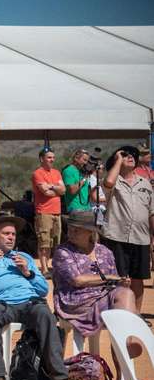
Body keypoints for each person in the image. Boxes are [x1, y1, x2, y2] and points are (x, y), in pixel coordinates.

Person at [0, 215, 72, 380]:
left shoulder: (23, 257)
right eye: (6, 233)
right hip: (0, 304)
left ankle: (59, 378)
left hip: (29, 302)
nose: (11, 237)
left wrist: (28, 272)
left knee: (45, 314)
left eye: (13, 234)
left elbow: (43, 289)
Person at [52, 211, 138, 342]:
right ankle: (125, 344)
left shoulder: (104, 251)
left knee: (126, 293)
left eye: (77, 230)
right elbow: (77, 280)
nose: (71, 233)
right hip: (76, 302)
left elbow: (114, 282)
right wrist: (109, 278)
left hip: (103, 297)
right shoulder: (62, 252)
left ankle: (125, 345)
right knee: (123, 305)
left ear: (89, 232)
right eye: (70, 229)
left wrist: (121, 283)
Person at [100, 146, 154, 314]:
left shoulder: (145, 183)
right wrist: (117, 159)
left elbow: (151, 212)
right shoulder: (113, 180)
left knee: (138, 279)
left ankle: (136, 315)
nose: (130, 157)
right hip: (116, 237)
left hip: (141, 237)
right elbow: (108, 183)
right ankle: (118, 312)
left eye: (133, 155)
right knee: (119, 278)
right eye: (125, 155)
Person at [32, 148, 66, 276]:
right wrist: (56, 189)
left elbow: (63, 191)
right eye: (49, 157)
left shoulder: (56, 172)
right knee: (44, 241)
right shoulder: (38, 173)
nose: (52, 160)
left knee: (56, 241)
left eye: (53, 157)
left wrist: (51, 186)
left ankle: (54, 266)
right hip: (44, 212)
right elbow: (44, 191)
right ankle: (44, 268)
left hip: (56, 212)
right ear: (42, 159)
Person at [61, 149, 93, 214]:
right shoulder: (68, 170)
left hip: (87, 208)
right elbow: (72, 190)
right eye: (84, 160)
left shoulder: (82, 172)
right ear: (76, 158)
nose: (86, 163)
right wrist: (84, 179)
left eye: (87, 161)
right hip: (75, 208)